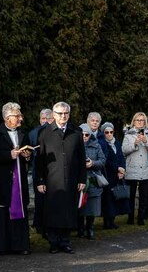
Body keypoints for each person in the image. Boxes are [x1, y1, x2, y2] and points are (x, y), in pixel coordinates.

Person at [35, 101, 85, 253]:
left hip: (71, 178)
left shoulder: (76, 132)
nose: (63, 116)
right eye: (60, 113)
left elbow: (81, 157)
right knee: (53, 212)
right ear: (54, 115)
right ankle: (53, 242)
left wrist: (82, 179)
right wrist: (40, 180)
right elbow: (40, 159)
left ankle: (65, 241)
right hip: (52, 179)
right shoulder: (45, 133)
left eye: (66, 113)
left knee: (68, 211)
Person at [0, 103, 32, 255]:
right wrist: (8, 155)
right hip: (1, 181)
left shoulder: (23, 134)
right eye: (17, 116)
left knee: (19, 211)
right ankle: (0, 246)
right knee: (1, 214)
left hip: (18, 181)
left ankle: (19, 245)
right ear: (7, 117)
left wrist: (27, 155)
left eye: (20, 115)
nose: (20, 119)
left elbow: (28, 153)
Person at [121, 112, 148, 226]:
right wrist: (135, 144)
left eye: (142, 120)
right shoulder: (128, 134)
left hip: (146, 168)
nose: (140, 122)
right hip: (132, 168)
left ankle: (141, 217)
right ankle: (130, 217)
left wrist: (146, 141)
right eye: (138, 120)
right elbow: (124, 150)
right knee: (131, 195)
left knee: (144, 195)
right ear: (134, 121)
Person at [28, 108, 53, 233]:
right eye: (43, 119)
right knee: (39, 200)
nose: (46, 122)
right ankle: (39, 225)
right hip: (37, 170)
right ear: (40, 120)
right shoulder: (33, 133)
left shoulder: (55, 133)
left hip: (52, 171)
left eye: (49, 119)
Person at [78, 125, 105, 239]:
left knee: (92, 206)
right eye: (82, 134)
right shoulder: (74, 145)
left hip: (93, 178)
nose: (84, 137)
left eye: (87, 134)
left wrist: (92, 163)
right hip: (79, 179)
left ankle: (90, 228)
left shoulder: (96, 145)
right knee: (79, 204)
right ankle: (80, 229)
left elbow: (103, 161)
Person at [99, 122, 126, 230]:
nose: (109, 134)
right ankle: (107, 221)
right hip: (108, 174)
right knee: (108, 199)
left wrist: (122, 169)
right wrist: (117, 168)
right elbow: (106, 161)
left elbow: (121, 157)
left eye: (111, 132)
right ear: (103, 133)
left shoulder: (117, 143)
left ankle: (112, 220)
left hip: (118, 175)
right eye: (106, 132)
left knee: (116, 198)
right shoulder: (103, 144)